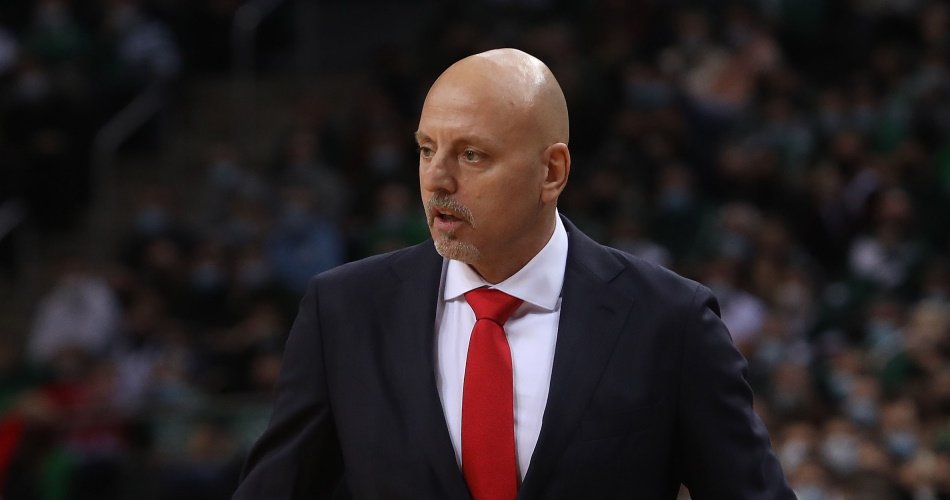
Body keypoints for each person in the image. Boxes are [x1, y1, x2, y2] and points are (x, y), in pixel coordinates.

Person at [232, 48, 794, 499]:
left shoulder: (670, 320)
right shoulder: (344, 311)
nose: (437, 179)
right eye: (427, 149)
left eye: (472, 155)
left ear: (552, 172)